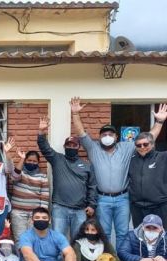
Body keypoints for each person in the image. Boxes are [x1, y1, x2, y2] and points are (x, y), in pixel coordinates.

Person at [71, 98, 166, 245]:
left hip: (123, 198)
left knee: (123, 233)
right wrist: (75, 114)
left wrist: (159, 122)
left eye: (110, 134)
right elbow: (81, 133)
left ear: (116, 136)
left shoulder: (126, 147)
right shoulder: (93, 148)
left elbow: (149, 138)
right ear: (100, 137)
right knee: (104, 232)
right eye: (104, 134)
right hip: (102, 199)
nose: (107, 137)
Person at [37, 116, 97, 239]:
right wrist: (42, 133)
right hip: (60, 208)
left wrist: (92, 204)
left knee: (78, 241)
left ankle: (74, 259)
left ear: (78, 147)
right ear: (64, 147)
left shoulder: (87, 165)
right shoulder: (57, 159)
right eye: (68, 145)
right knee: (58, 240)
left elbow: (92, 186)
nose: (71, 147)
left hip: (80, 210)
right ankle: (59, 260)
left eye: (74, 145)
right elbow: (44, 148)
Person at [4, 138, 50, 242]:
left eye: (34, 161)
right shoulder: (20, 172)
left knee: (34, 240)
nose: (32, 163)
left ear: (38, 163)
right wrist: (21, 159)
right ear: (25, 161)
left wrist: (42, 215)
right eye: (29, 160)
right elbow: (14, 177)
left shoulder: (42, 176)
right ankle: (21, 258)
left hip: (35, 214)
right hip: (18, 213)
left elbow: (45, 197)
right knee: (20, 240)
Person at [128, 132, 167, 226]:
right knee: (140, 236)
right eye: (138, 145)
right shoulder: (131, 159)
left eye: (145, 144)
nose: (142, 147)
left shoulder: (163, 157)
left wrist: (160, 122)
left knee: (161, 236)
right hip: (137, 207)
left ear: (152, 144)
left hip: (159, 206)